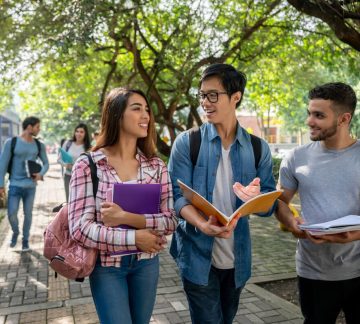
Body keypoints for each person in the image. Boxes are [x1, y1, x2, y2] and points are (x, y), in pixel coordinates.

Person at [168, 63, 276, 324]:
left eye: (213, 95)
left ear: (235, 97)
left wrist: (255, 200)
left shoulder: (258, 148)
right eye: (202, 95)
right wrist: (201, 224)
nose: (206, 102)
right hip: (196, 256)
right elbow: (175, 196)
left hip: (237, 260)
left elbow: (270, 204)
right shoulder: (187, 142)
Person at [68, 87, 177, 324]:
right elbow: (80, 228)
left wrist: (126, 217)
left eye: (147, 109)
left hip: (147, 265)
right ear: (116, 114)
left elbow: (170, 220)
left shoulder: (156, 166)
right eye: (137, 109)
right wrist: (135, 239)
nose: (146, 116)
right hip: (107, 268)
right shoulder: (88, 165)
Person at [275, 82, 360, 324]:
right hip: (314, 271)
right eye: (309, 113)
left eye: (319, 115)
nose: (309, 121)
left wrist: (353, 235)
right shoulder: (296, 157)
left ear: (344, 119)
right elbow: (280, 202)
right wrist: (291, 222)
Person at [0, 116, 49, 251]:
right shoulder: (12, 142)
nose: (39, 129)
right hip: (14, 185)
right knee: (11, 214)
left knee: (28, 214)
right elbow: (2, 164)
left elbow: (46, 163)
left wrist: (41, 174)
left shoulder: (39, 145)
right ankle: (15, 232)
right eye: (37, 127)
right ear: (29, 127)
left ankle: (25, 240)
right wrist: (0, 185)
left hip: (30, 186)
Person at [59, 123, 91, 202]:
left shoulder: (88, 147)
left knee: (79, 201)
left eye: (81, 132)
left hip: (82, 177)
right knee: (69, 200)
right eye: (77, 131)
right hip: (68, 175)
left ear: (85, 134)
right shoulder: (68, 143)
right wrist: (65, 165)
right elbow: (59, 159)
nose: (78, 134)